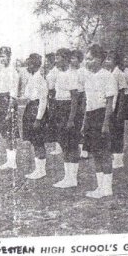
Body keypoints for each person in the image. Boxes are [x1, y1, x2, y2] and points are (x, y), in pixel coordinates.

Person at [82, 45, 118, 198]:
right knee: (95, 152)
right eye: (86, 59)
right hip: (91, 115)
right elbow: (88, 102)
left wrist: (105, 123)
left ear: (99, 59)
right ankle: (100, 187)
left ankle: (107, 188)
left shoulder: (107, 76)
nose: (87, 62)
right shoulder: (89, 77)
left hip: (103, 115)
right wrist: (85, 122)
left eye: (89, 59)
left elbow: (110, 102)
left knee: (104, 152)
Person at [52, 48, 80, 188]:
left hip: (68, 109)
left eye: (59, 58)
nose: (56, 60)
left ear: (66, 59)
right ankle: (67, 176)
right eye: (56, 57)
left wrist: (71, 119)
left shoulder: (72, 74)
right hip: (59, 108)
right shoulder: (60, 74)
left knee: (71, 144)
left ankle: (72, 178)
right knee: (64, 143)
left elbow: (75, 98)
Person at [0, 47, 20, 170]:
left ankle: (12, 162)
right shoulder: (1, 71)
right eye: (0, 56)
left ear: (9, 56)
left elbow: (13, 93)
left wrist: (9, 110)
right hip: (0, 101)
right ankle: (9, 161)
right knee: (5, 133)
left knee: (10, 133)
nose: (2, 59)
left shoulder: (12, 71)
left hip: (8, 102)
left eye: (4, 56)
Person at [22, 53, 49, 180]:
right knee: (34, 140)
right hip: (30, 108)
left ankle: (41, 170)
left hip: (37, 110)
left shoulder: (40, 79)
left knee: (38, 141)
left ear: (35, 64)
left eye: (30, 64)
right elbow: (28, 94)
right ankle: (38, 169)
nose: (28, 66)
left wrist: (38, 119)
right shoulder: (32, 77)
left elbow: (43, 100)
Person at [104, 50, 128, 169]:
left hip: (118, 104)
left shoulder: (119, 74)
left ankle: (119, 159)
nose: (107, 61)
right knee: (111, 131)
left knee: (118, 131)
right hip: (111, 103)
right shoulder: (109, 72)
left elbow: (122, 93)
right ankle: (114, 155)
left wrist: (120, 111)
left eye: (110, 59)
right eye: (107, 58)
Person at [70, 49, 87, 159]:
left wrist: (84, 103)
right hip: (72, 98)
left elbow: (86, 89)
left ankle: (84, 149)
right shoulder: (70, 71)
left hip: (81, 97)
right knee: (74, 123)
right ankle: (75, 147)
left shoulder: (83, 71)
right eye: (70, 58)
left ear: (79, 60)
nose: (71, 60)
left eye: (74, 58)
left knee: (82, 123)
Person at [45, 52, 62, 156]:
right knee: (54, 122)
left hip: (55, 99)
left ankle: (59, 146)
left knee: (57, 122)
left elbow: (53, 87)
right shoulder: (50, 72)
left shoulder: (55, 72)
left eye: (47, 61)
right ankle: (58, 145)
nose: (46, 63)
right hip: (51, 99)